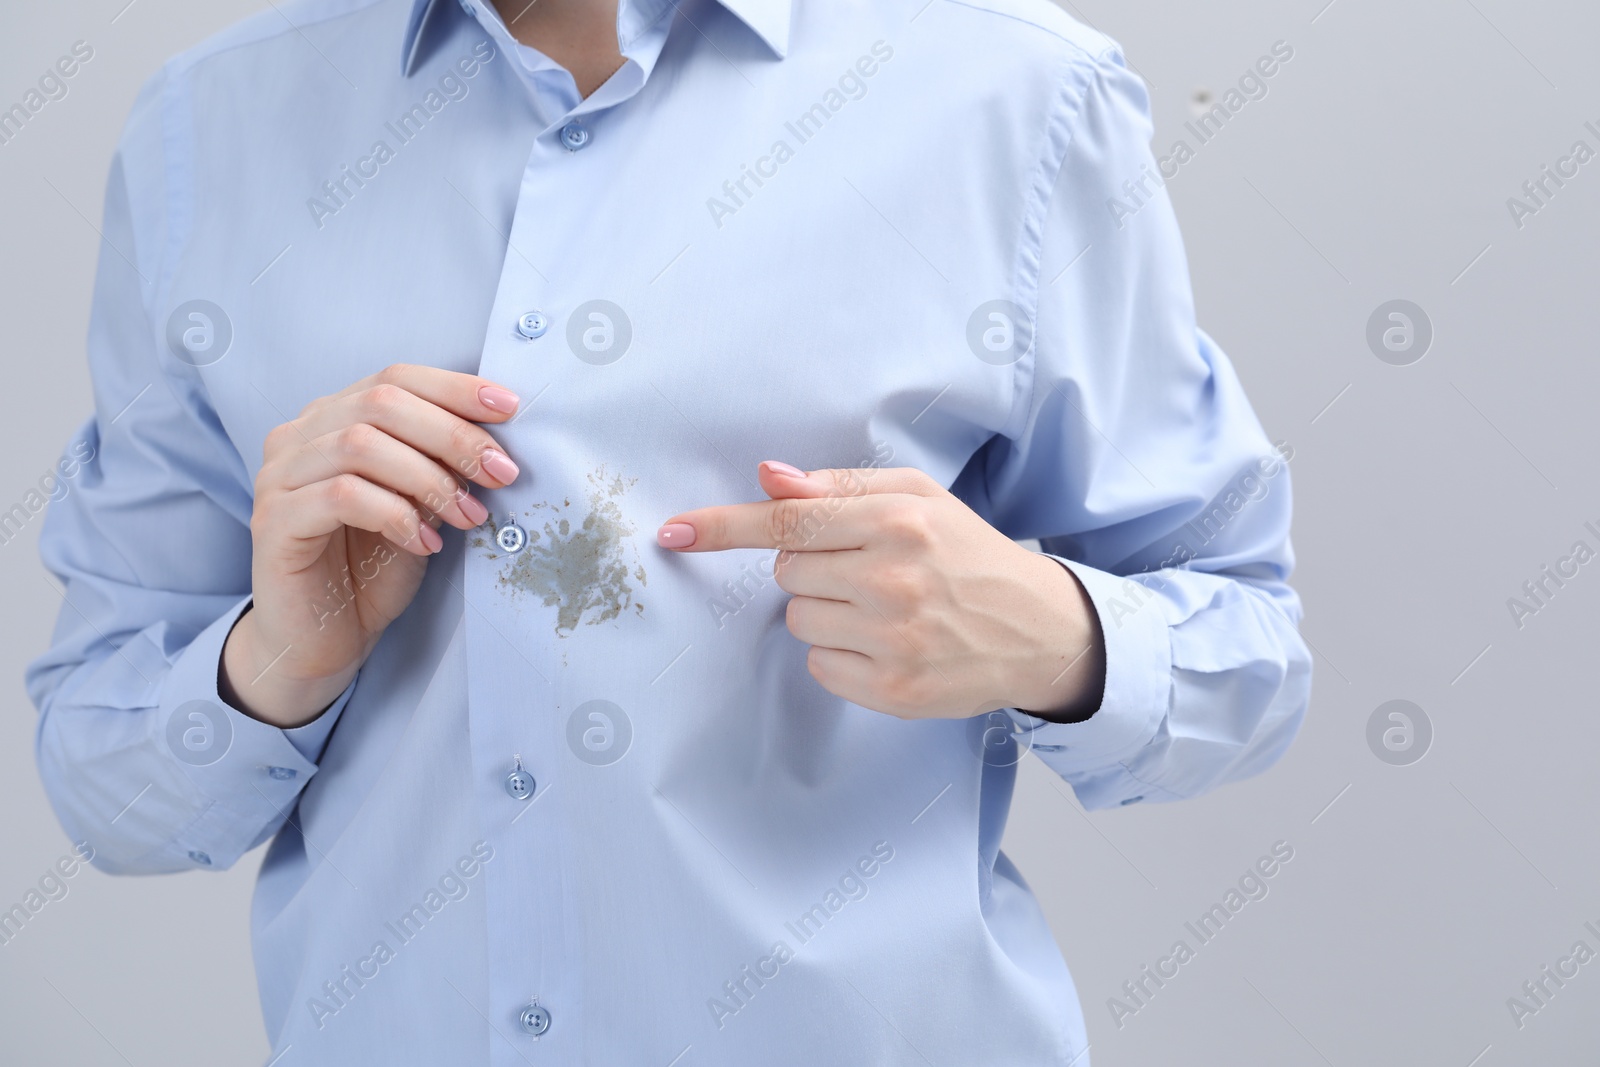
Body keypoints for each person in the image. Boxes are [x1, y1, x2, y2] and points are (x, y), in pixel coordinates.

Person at [26, 0, 1312, 1061]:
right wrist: (272, 666)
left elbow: (1251, 655)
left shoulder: (1018, 101)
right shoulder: (209, 135)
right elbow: (110, 790)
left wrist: (1053, 634)